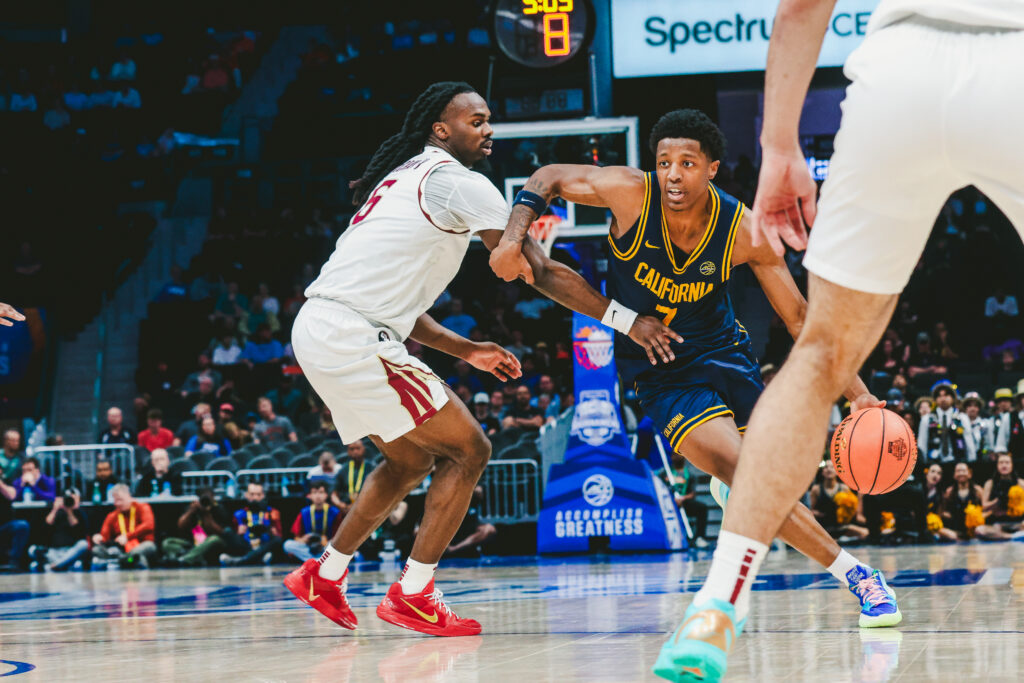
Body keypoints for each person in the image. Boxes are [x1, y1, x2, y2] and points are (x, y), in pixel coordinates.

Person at [667, 1, 1024, 677]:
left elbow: (803, 6)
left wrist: (779, 145)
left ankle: (716, 605)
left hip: (901, 72)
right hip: (1015, 60)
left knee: (818, 357)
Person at [488, 108, 894, 653]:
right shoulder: (630, 195)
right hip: (661, 369)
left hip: (726, 356)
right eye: (664, 163)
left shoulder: (743, 230)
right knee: (750, 477)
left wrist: (859, 395)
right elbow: (546, 178)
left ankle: (732, 485)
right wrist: (513, 237)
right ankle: (860, 577)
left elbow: (801, 319)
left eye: (687, 163)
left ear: (712, 168)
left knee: (766, 483)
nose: (673, 175)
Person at [284, 81, 679, 637]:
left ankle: (324, 575)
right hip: (353, 335)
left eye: (488, 119)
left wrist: (467, 349)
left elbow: (400, 309)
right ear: (440, 129)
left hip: (325, 327)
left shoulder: (403, 177)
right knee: (470, 449)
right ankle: (414, 594)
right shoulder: (459, 183)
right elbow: (540, 271)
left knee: (408, 462)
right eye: (476, 121)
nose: (488, 129)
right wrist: (629, 321)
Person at [162, 487, 232, 566]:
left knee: (214, 539)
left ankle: (185, 559)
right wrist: (190, 511)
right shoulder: (194, 508)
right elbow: (180, 526)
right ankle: (194, 556)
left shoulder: (219, 509)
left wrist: (206, 514)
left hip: (213, 544)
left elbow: (219, 532)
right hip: (193, 544)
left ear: (213, 497)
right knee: (167, 542)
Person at [92, 485, 157, 568]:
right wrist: (99, 538)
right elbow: (104, 536)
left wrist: (127, 537)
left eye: (120, 499)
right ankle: (126, 560)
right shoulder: (112, 515)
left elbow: (149, 525)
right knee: (97, 549)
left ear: (129, 497)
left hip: (141, 547)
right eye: (115, 500)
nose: (117, 503)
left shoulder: (143, 507)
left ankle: (124, 560)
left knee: (147, 547)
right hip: (122, 551)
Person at [29, 489, 90, 572]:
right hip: (53, 552)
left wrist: (69, 510)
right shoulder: (55, 512)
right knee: (32, 549)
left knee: (83, 544)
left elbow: (78, 529)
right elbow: (46, 526)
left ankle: (55, 566)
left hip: (69, 551)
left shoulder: (79, 513)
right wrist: (55, 509)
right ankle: (63, 564)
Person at [221, 482, 283, 566]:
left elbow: (279, 536)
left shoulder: (272, 513)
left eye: (258, 494)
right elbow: (236, 540)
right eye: (252, 494)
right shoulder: (239, 514)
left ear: (263, 495)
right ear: (246, 495)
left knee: (277, 540)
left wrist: (272, 532)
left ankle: (242, 560)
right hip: (247, 545)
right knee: (227, 532)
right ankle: (257, 558)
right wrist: (239, 533)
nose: (255, 497)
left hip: (264, 544)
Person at [917, 381, 973, 468]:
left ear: (953, 398)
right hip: (934, 464)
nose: (943, 399)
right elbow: (922, 443)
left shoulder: (962, 418)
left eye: (946, 395)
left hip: (957, 463)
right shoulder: (927, 419)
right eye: (939, 396)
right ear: (935, 399)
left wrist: (971, 462)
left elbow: (969, 442)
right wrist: (923, 465)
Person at [283, 481, 340, 563]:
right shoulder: (304, 512)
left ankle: (313, 561)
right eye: (314, 492)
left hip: (326, 546)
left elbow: (339, 537)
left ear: (326, 495)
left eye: (321, 492)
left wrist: (326, 541)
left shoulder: (334, 512)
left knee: (336, 546)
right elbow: (296, 537)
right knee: (287, 545)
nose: (318, 496)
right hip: (309, 547)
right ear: (309, 495)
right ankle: (316, 560)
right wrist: (303, 539)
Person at [980, 453, 1024, 534]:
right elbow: (984, 507)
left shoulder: (1020, 483)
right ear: (997, 466)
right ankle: (1010, 536)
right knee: (980, 531)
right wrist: (997, 500)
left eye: (1007, 462)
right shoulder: (990, 483)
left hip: (1018, 523)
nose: (1004, 465)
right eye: (1001, 463)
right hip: (998, 524)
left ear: (1012, 465)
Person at [330, 440, 376, 514]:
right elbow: (334, 494)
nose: (355, 451)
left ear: (364, 449)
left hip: (367, 507)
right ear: (348, 451)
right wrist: (340, 504)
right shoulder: (343, 469)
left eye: (358, 448)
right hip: (346, 509)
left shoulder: (372, 468)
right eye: (352, 449)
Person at [0, 471, 30, 571]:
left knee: (22, 526)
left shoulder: (6, 481)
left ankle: (14, 562)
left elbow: (12, 496)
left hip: (5, 525)